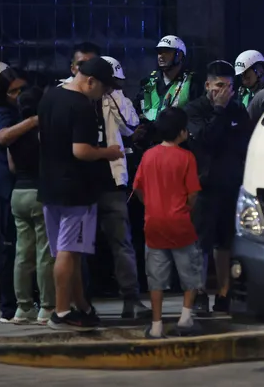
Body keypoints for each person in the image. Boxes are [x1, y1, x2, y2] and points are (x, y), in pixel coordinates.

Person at [61, 44, 150, 318]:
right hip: (78, 179)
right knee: (78, 246)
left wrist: (113, 93)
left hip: (110, 179)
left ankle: (131, 299)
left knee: (121, 241)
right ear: (73, 68)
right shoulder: (64, 92)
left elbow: (131, 126)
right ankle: (81, 302)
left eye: (94, 64)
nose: (89, 70)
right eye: (82, 64)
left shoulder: (110, 94)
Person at [38, 57, 125, 330]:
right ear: (91, 81)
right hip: (75, 190)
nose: (103, 95)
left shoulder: (49, 97)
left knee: (67, 252)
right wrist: (108, 153)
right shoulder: (82, 107)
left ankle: (81, 306)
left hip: (49, 186)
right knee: (68, 250)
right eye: (103, 89)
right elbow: (81, 150)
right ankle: (61, 312)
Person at [185, 60, 252, 315]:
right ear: (207, 85)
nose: (225, 92)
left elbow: (244, 145)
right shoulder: (195, 110)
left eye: (230, 87)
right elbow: (205, 141)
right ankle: (199, 292)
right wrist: (219, 111)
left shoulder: (238, 110)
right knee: (201, 243)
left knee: (225, 243)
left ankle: (224, 293)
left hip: (231, 186)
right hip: (204, 187)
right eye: (220, 86)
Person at [132, 107, 203, 339]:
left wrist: (152, 205)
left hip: (153, 224)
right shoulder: (187, 157)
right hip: (180, 223)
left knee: (156, 278)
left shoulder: (148, 155)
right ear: (182, 132)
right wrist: (186, 208)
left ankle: (156, 325)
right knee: (189, 273)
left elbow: (138, 189)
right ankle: (185, 318)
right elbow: (193, 193)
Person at [7, 85, 55, 325]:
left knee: (22, 254)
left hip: (18, 193)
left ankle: (22, 307)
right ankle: (46, 308)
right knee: (44, 254)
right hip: (39, 193)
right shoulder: (44, 131)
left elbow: (12, 167)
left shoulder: (13, 134)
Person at [0, 65, 30, 324]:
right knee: (10, 249)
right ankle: (9, 306)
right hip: (8, 187)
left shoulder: (29, 107)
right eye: (13, 91)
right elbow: (3, 137)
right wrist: (33, 122)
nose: (18, 95)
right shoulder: (4, 112)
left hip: (28, 185)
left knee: (28, 250)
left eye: (22, 89)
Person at [133, 35, 205, 148]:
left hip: (179, 145)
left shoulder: (193, 83)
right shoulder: (148, 82)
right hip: (149, 145)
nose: (161, 56)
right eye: (159, 52)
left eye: (166, 52)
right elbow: (137, 110)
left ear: (179, 55)